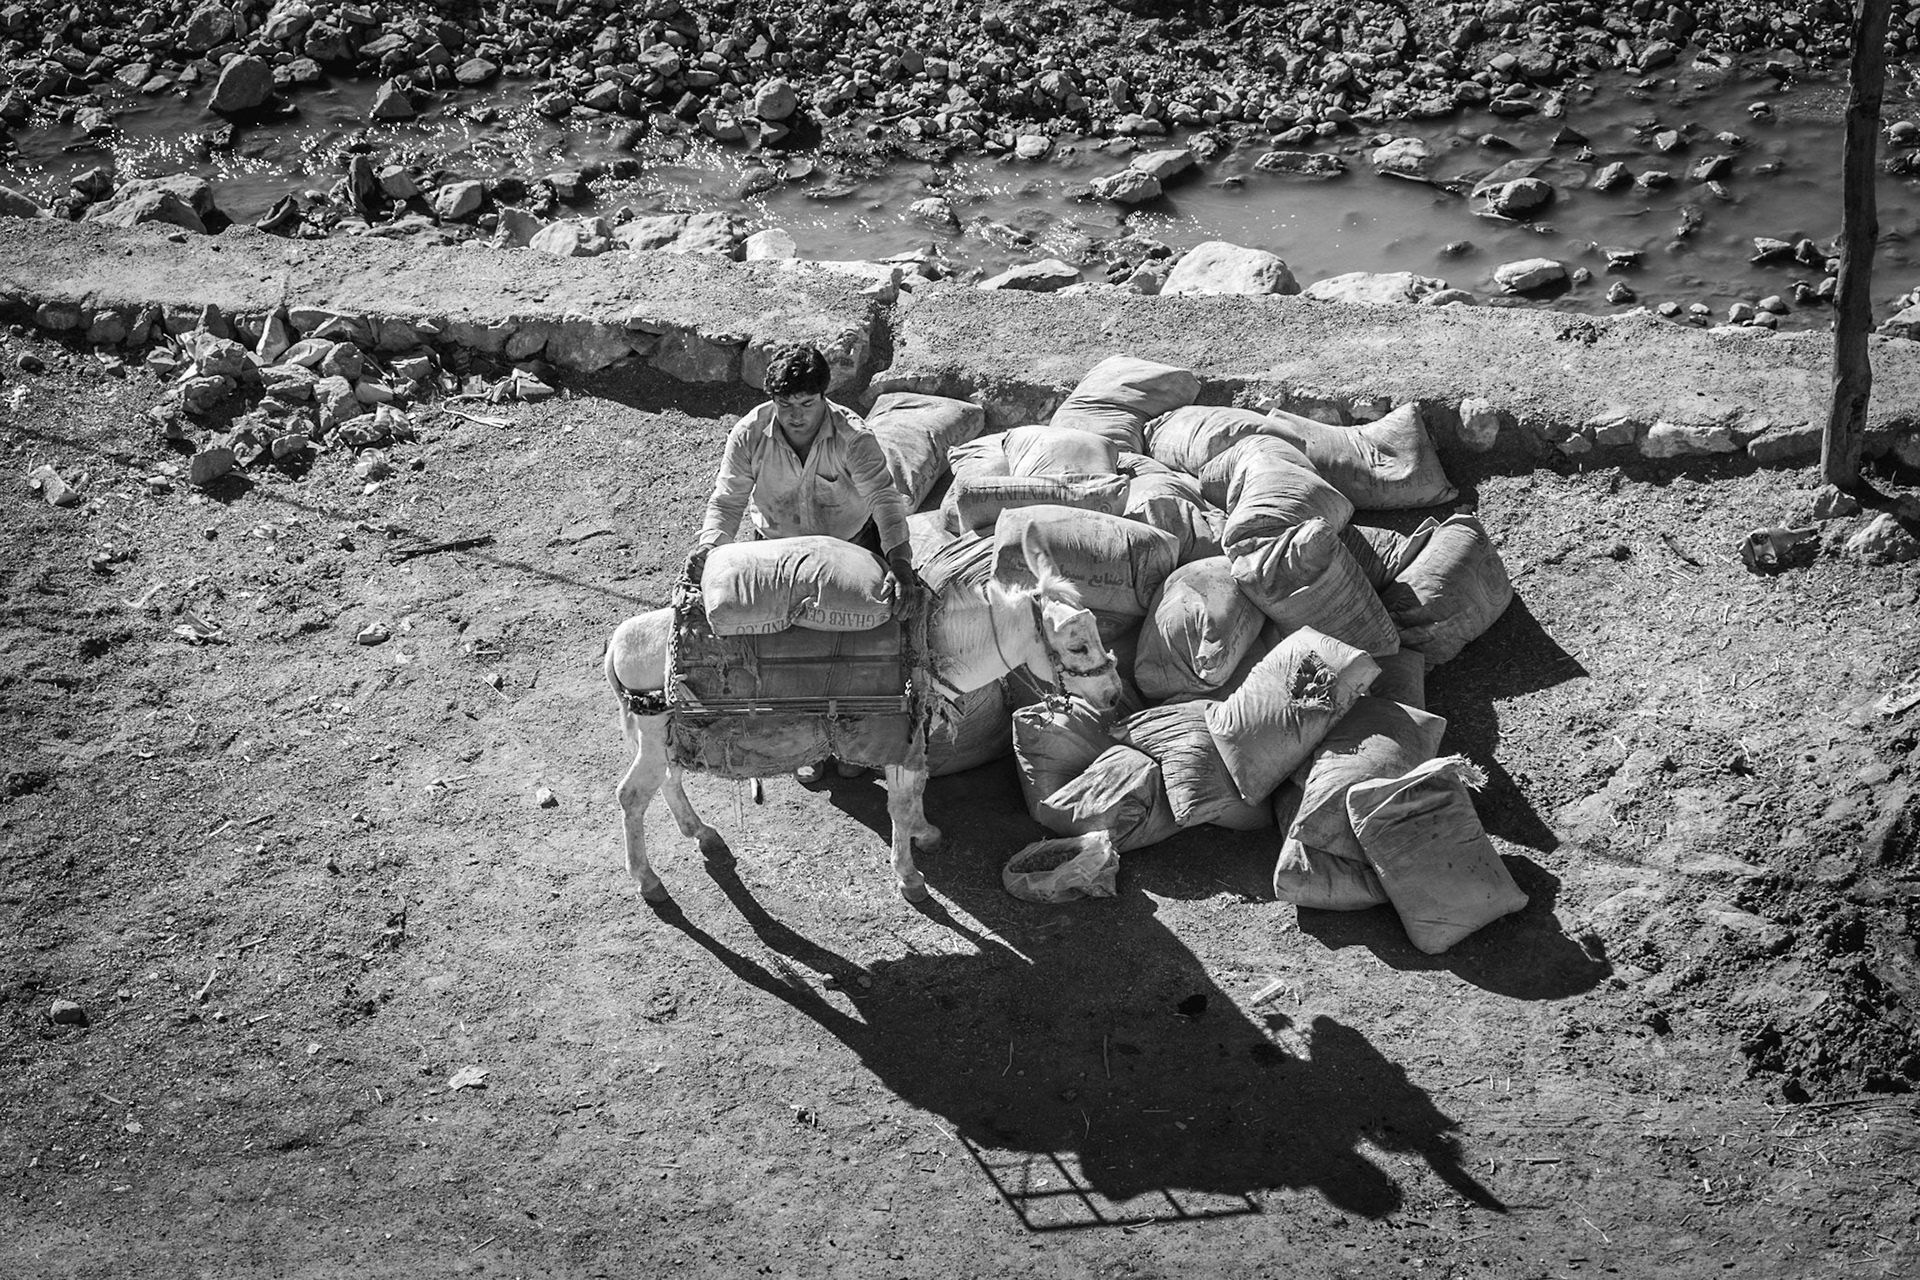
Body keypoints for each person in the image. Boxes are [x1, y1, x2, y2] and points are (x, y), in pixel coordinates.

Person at [685, 343, 916, 785]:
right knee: (782, 649)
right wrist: (711, 551)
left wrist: (900, 561)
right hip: (774, 549)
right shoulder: (749, 433)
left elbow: (884, 499)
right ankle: (805, 742)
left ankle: (855, 744)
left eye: (807, 404)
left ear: (824, 399)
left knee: (859, 648)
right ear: (773, 399)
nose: (795, 415)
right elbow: (729, 498)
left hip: (849, 545)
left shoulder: (854, 437)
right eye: (785, 403)